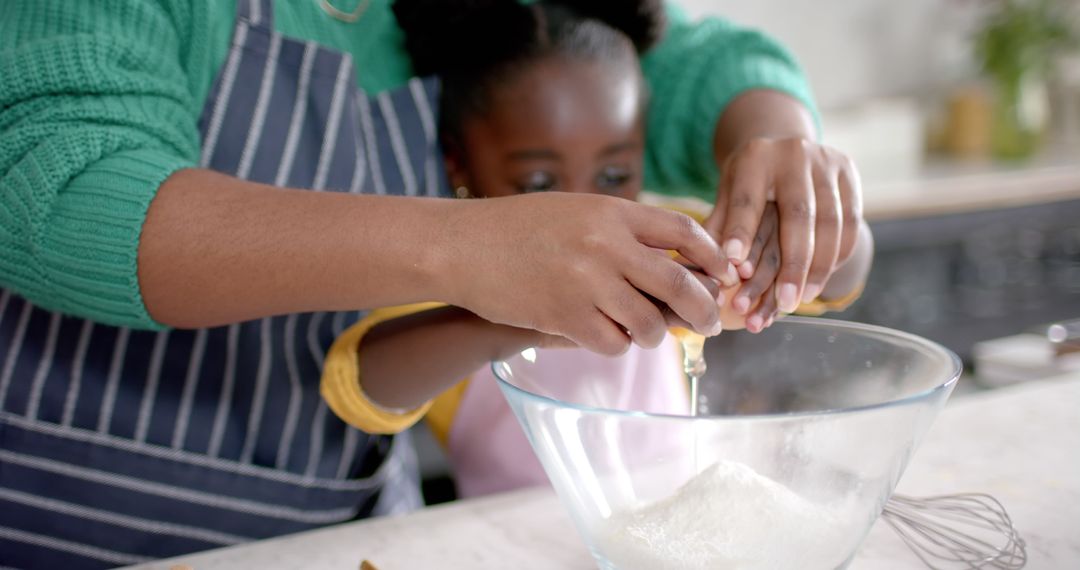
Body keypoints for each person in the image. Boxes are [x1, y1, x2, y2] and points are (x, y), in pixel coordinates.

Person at [0, 0, 863, 567]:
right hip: (65, 528)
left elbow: (668, 59)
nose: (581, 191)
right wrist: (472, 259)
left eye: (613, 173)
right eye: (534, 182)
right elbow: (59, 188)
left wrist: (784, 144)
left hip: (356, 536)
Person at [321, 0, 874, 498]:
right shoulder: (445, 285)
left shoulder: (673, 251)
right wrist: (511, 318)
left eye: (614, 174)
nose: (587, 214)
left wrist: (810, 227)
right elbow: (362, 385)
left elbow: (842, 277)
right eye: (539, 183)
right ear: (458, 165)